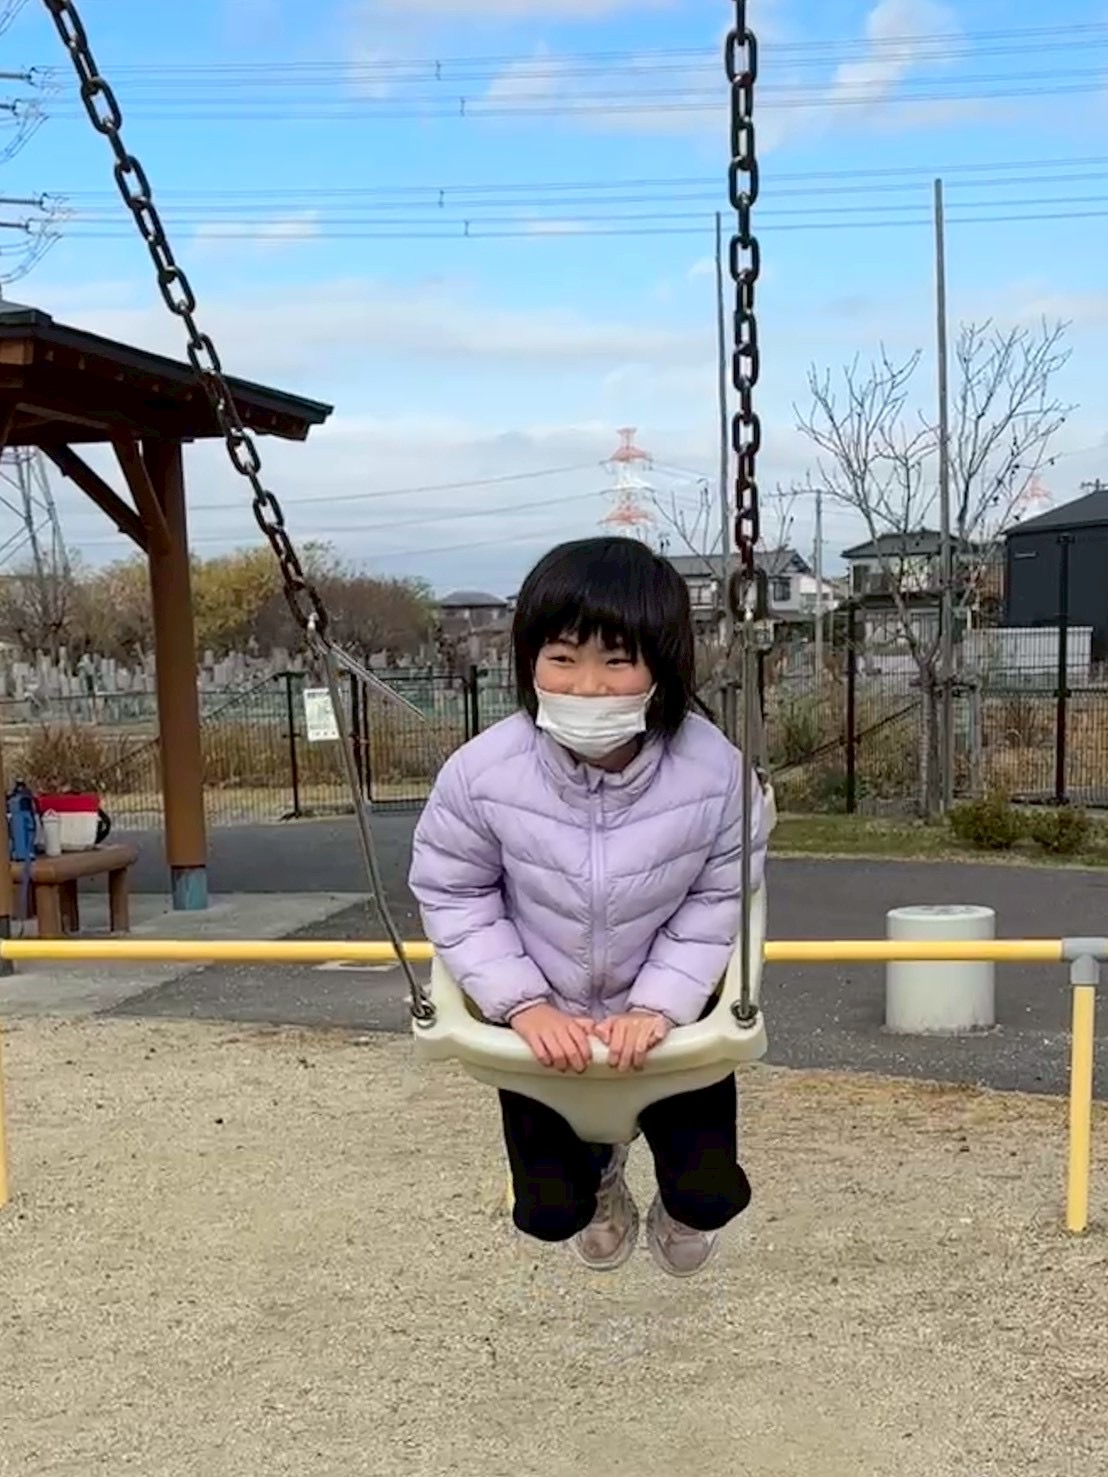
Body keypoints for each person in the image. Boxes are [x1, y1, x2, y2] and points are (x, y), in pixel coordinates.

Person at [408, 536, 769, 1277]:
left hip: (668, 1022)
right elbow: (455, 889)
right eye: (563, 658)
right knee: (550, 1213)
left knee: (709, 1196)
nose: (589, 687)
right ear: (529, 662)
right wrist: (522, 1003)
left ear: (662, 666)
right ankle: (601, 1183)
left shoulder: (714, 774)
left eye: (617, 660)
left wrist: (660, 1004)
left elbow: (720, 895)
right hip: (545, 1023)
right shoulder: (482, 774)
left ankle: (674, 1206)